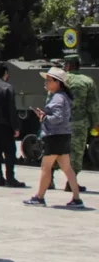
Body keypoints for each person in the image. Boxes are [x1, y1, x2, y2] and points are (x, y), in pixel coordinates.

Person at [23, 67, 84, 208]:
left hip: (54, 136)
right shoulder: (63, 97)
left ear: (57, 82)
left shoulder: (57, 98)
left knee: (46, 168)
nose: (46, 83)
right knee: (67, 168)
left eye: (49, 80)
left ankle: (39, 197)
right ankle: (76, 198)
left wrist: (43, 117)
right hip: (63, 136)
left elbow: (57, 118)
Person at [53, 55, 99, 192]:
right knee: (77, 154)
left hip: (60, 123)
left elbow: (51, 102)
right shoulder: (87, 82)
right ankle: (71, 183)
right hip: (79, 125)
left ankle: (48, 179)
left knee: (56, 151)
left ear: (67, 66)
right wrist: (96, 123)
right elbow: (93, 106)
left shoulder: (60, 81)